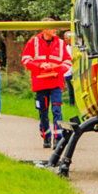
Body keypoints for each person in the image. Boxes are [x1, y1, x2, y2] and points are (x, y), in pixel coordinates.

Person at [21, 20, 71, 149]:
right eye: (51, 28)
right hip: (40, 83)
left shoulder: (61, 43)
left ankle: (58, 139)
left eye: (55, 27)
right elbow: (25, 59)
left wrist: (58, 71)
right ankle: (46, 137)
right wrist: (39, 66)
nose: (55, 30)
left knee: (56, 111)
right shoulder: (33, 42)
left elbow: (67, 61)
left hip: (56, 82)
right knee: (43, 112)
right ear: (44, 29)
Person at [63, 32, 76, 106]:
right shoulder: (66, 48)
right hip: (68, 72)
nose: (65, 39)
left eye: (67, 38)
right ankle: (72, 104)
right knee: (71, 90)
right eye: (64, 38)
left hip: (77, 72)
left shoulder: (77, 47)